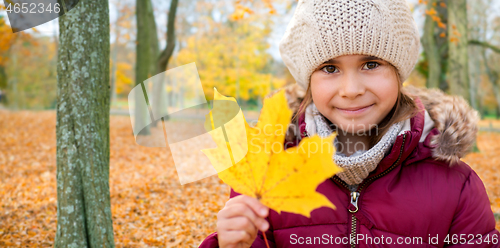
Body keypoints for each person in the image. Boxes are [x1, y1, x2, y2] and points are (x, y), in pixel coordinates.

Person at [199, 0, 500, 247]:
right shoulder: (264, 173)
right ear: (309, 83)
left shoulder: (456, 185)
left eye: (371, 64)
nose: (351, 89)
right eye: (330, 68)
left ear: (399, 73)